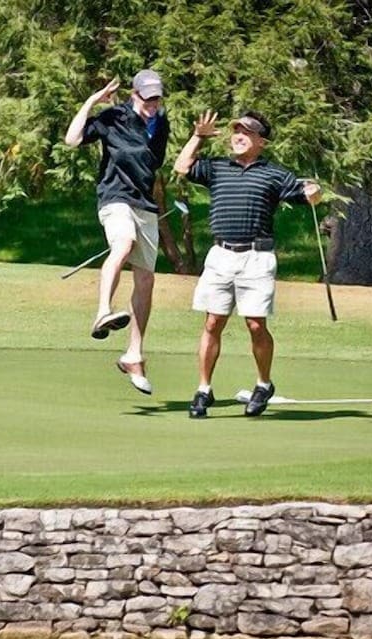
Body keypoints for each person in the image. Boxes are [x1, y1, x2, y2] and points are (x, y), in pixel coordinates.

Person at [173, 110, 321, 418]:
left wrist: (314, 192)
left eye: (247, 133)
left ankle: (263, 384)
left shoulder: (275, 175)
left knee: (255, 324)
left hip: (257, 256)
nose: (238, 136)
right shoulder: (217, 168)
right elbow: (181, 166)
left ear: (261, 142)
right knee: (213, 322)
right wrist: (199, 136)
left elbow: (307, 196)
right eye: (236, 131)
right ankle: (203, 389)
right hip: (220, 256)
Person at [64, 69, 171, 395]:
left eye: (157, 97)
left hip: (145, 205)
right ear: (134, 94)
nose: (153, 103)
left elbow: (153, 163)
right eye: (147, 97)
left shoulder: (161, 122)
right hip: (114, 199)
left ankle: (134, 354)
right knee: (123, 244)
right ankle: (102, 312)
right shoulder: (114, 117)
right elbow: (72, 141)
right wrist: (92, 102)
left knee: (146, 279)